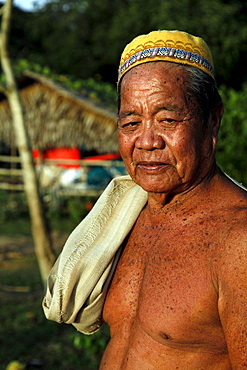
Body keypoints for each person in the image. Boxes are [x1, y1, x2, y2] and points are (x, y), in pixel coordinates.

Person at [43, 30, 247, 369]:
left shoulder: (237, 242)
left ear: (212, 121)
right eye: (131, 122)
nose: (147, 141)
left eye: (168, 119)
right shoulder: (127, 217)